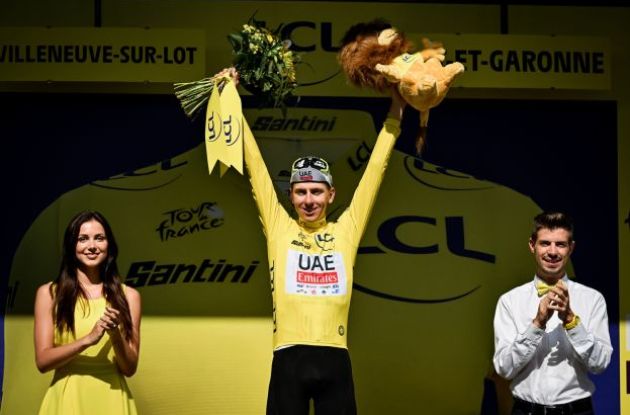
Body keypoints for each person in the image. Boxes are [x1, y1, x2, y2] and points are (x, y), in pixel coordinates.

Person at [220, 67, 405, 414]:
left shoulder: (346, 229)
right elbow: (254, 165)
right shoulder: (279, 228)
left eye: (316, 191)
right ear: (290, 195)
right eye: (301, 191)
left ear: (331, 194)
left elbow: (375, 170)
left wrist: (395, 112)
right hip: (288, 358)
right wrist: (231, 98)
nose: (309, 200)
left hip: (336, 358)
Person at [493, 211, 612, 415]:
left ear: (571, 248)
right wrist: (537, 324)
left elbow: (600, 364)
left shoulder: (593, 299)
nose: (553, 251)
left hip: (578, 410)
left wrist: (571, 322)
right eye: (545, 243)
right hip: (525, 410)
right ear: (532, 245)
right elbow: (504, 368)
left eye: (561, 244)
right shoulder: (509, 301)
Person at [34, 210, 141, 415]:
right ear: (71, 246)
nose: (91, 246)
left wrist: (115, 334)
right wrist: (88, 339)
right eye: (82, 239)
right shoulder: (49, 293)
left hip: (113, 399)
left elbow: (130, 368)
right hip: (67, 398)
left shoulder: (130, 296)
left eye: (99, 238)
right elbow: (42, 361)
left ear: (109, 245)